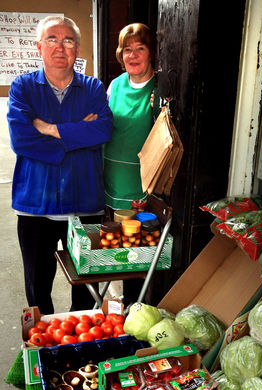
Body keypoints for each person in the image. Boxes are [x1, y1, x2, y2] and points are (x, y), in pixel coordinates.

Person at [7, 16, 113, 315]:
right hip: (35, 205)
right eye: (52, 39)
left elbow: (103, 130)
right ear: (39, 47)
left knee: (87, 287)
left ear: (77, 49)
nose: (60, 47)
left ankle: (83, 349)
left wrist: (52, 129)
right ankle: (44, 348)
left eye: (68, 41)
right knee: (37, 287)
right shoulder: (23, 88)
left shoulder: (92, 88)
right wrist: (80, 132)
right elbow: (23, 140)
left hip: (85, 202)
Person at [103, 22, 155, 210]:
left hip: (142, 184)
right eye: (127, 49)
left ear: (151, 53)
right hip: (110, 177)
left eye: (140, 48)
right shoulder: (114, 86)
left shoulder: (159, 89)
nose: (132, 56)